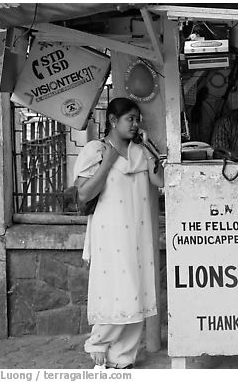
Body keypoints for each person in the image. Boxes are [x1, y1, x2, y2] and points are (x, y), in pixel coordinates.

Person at [73, 97, 164, 369]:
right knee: (114, 289)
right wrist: (108, 161)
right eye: (130, 119)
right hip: (108, 235)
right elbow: (84, 194)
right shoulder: (96, 150)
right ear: (113, 120)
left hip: (137, 233)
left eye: (138, 119)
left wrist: (150, 148)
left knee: (138, 289)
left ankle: (122, 359)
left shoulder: (140, 152)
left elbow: (160, 182)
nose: (136, 124)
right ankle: (99, 342)